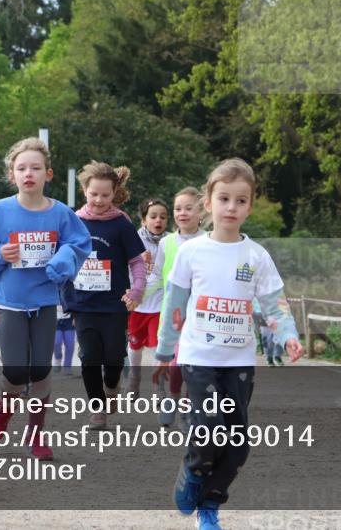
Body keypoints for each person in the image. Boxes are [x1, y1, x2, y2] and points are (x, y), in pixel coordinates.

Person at [154, 158, 304, 530]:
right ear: (208, 202)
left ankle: (209, 506)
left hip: (238, 361)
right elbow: (174, 305)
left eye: (240, 200)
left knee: (237, 444)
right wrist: (162, 351)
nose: (231, 207)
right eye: (224, 199)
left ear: (250, 206)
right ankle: (191, 473)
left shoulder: (256, 256)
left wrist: (288, 336)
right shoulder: (192, 252)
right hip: (198, 357)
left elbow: (274, 304)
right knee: (207, 430)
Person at [0, 137, 91, 460]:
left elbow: (80, 244)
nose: (29, 173)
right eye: (21, 168)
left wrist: (63, 260)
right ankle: (1, 417)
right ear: (12, 175)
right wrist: (0, 252)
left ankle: (36, 434)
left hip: (44, 302)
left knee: (40, 370)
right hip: (10, 300)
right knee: (15, 373)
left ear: (48, 174)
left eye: (35, 168)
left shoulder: (61, 214)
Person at [60, 161, 146, 431]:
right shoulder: (73, 222)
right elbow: (63, 260)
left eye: (105, 195)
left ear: (114, 194)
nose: (99, 200)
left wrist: (137, 290)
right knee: (88, 358)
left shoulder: (121, 223)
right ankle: (97, 411)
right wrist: (64, 296)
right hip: (83, 304)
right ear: (85, 190)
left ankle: (112, 386)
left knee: (113, 359)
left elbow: (137, 261)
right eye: (93, 194)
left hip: (114, 304)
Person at [146, 186, 205, 428]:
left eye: (188, 208)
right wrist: (137, 296)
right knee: (175, 361)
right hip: (173, 313)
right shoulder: (167, 242)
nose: (182, 213)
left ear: (200, 211)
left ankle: (187, 409)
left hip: (200, 312)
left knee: (193, 362)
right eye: (178, 208)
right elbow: (157, 276)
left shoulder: (208, 241)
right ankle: (172, 400)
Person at [127, 197, 170, 395]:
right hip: (138, 304)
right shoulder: (133, 239)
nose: (158, 221)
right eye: (153, 216)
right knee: (135, 347)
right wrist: (138, 263)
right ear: (144, 220)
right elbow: (124, 269)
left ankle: (158, 387)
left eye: (162, 217)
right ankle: (134, 380)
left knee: (157, 346)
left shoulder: (171, 242)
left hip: (160, 305)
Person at [52, 304, 75, 373]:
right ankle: (57, 359)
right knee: (57, 342)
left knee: (70, 344)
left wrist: (75, 317)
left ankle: (67, 366)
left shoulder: (69, 293)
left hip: (69, 322)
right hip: (55, 322)